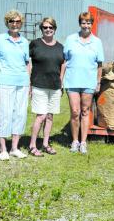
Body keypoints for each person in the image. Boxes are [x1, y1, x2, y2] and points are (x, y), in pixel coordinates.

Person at [62, 12, 104, 154]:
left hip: (88, 81)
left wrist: (98, 82)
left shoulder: (97, 42)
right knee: (75, 112)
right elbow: (64, 60)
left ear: (92, 24)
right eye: (83, 22)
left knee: (85, 111)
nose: (86, 25)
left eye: (89, 23)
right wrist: (61, 79)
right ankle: (75, 141)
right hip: (72, 81)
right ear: (80, 23)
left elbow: (99, 64)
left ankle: (83, 142)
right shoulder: (70, 39)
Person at [0, 10, 30, 160]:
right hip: (5, 81)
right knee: (5, 114)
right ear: (7, 23)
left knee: (20, 114)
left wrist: (29, 81)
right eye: (12, 21)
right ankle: (3, 149)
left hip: (22, 83)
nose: (15, 24)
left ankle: (14, 148)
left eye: (18, 21)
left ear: (21, 23)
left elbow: (27, 63)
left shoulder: (25, 42)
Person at [28, 17, 65, 156]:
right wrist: (29, 83)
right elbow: (28, 63)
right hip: (39, 85)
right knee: (41, 115)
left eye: (51, 27)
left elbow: (63, 64)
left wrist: (61, 83)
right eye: (45, 27)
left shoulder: (60, 47)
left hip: (55, 86)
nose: (48, 29)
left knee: (50, 116)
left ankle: (45, 143)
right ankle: (32, 145)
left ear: (54, 29)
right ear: (41, 29)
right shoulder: (35, 44)